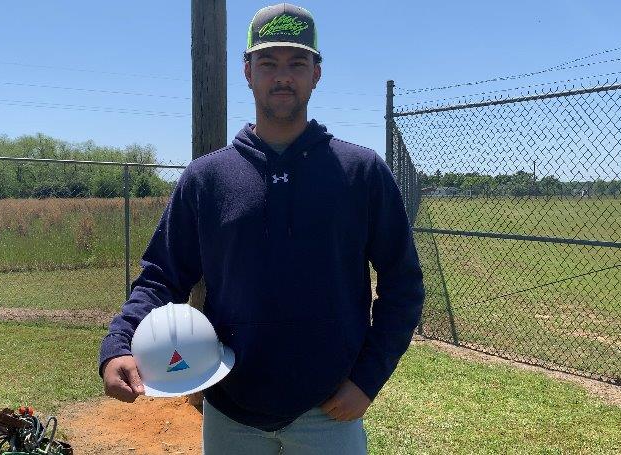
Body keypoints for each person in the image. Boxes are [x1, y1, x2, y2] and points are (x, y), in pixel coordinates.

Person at [99, 3, 424, 454]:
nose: (282, 76)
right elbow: (162, 275)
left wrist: (367, 381)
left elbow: (403, 285)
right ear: (248, 71)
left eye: (297, 62)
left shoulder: (360, 172)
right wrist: (119, 343)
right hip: (232, 412)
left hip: (329, 410)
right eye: (268, 63)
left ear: (317, 73)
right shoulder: (208, 178)